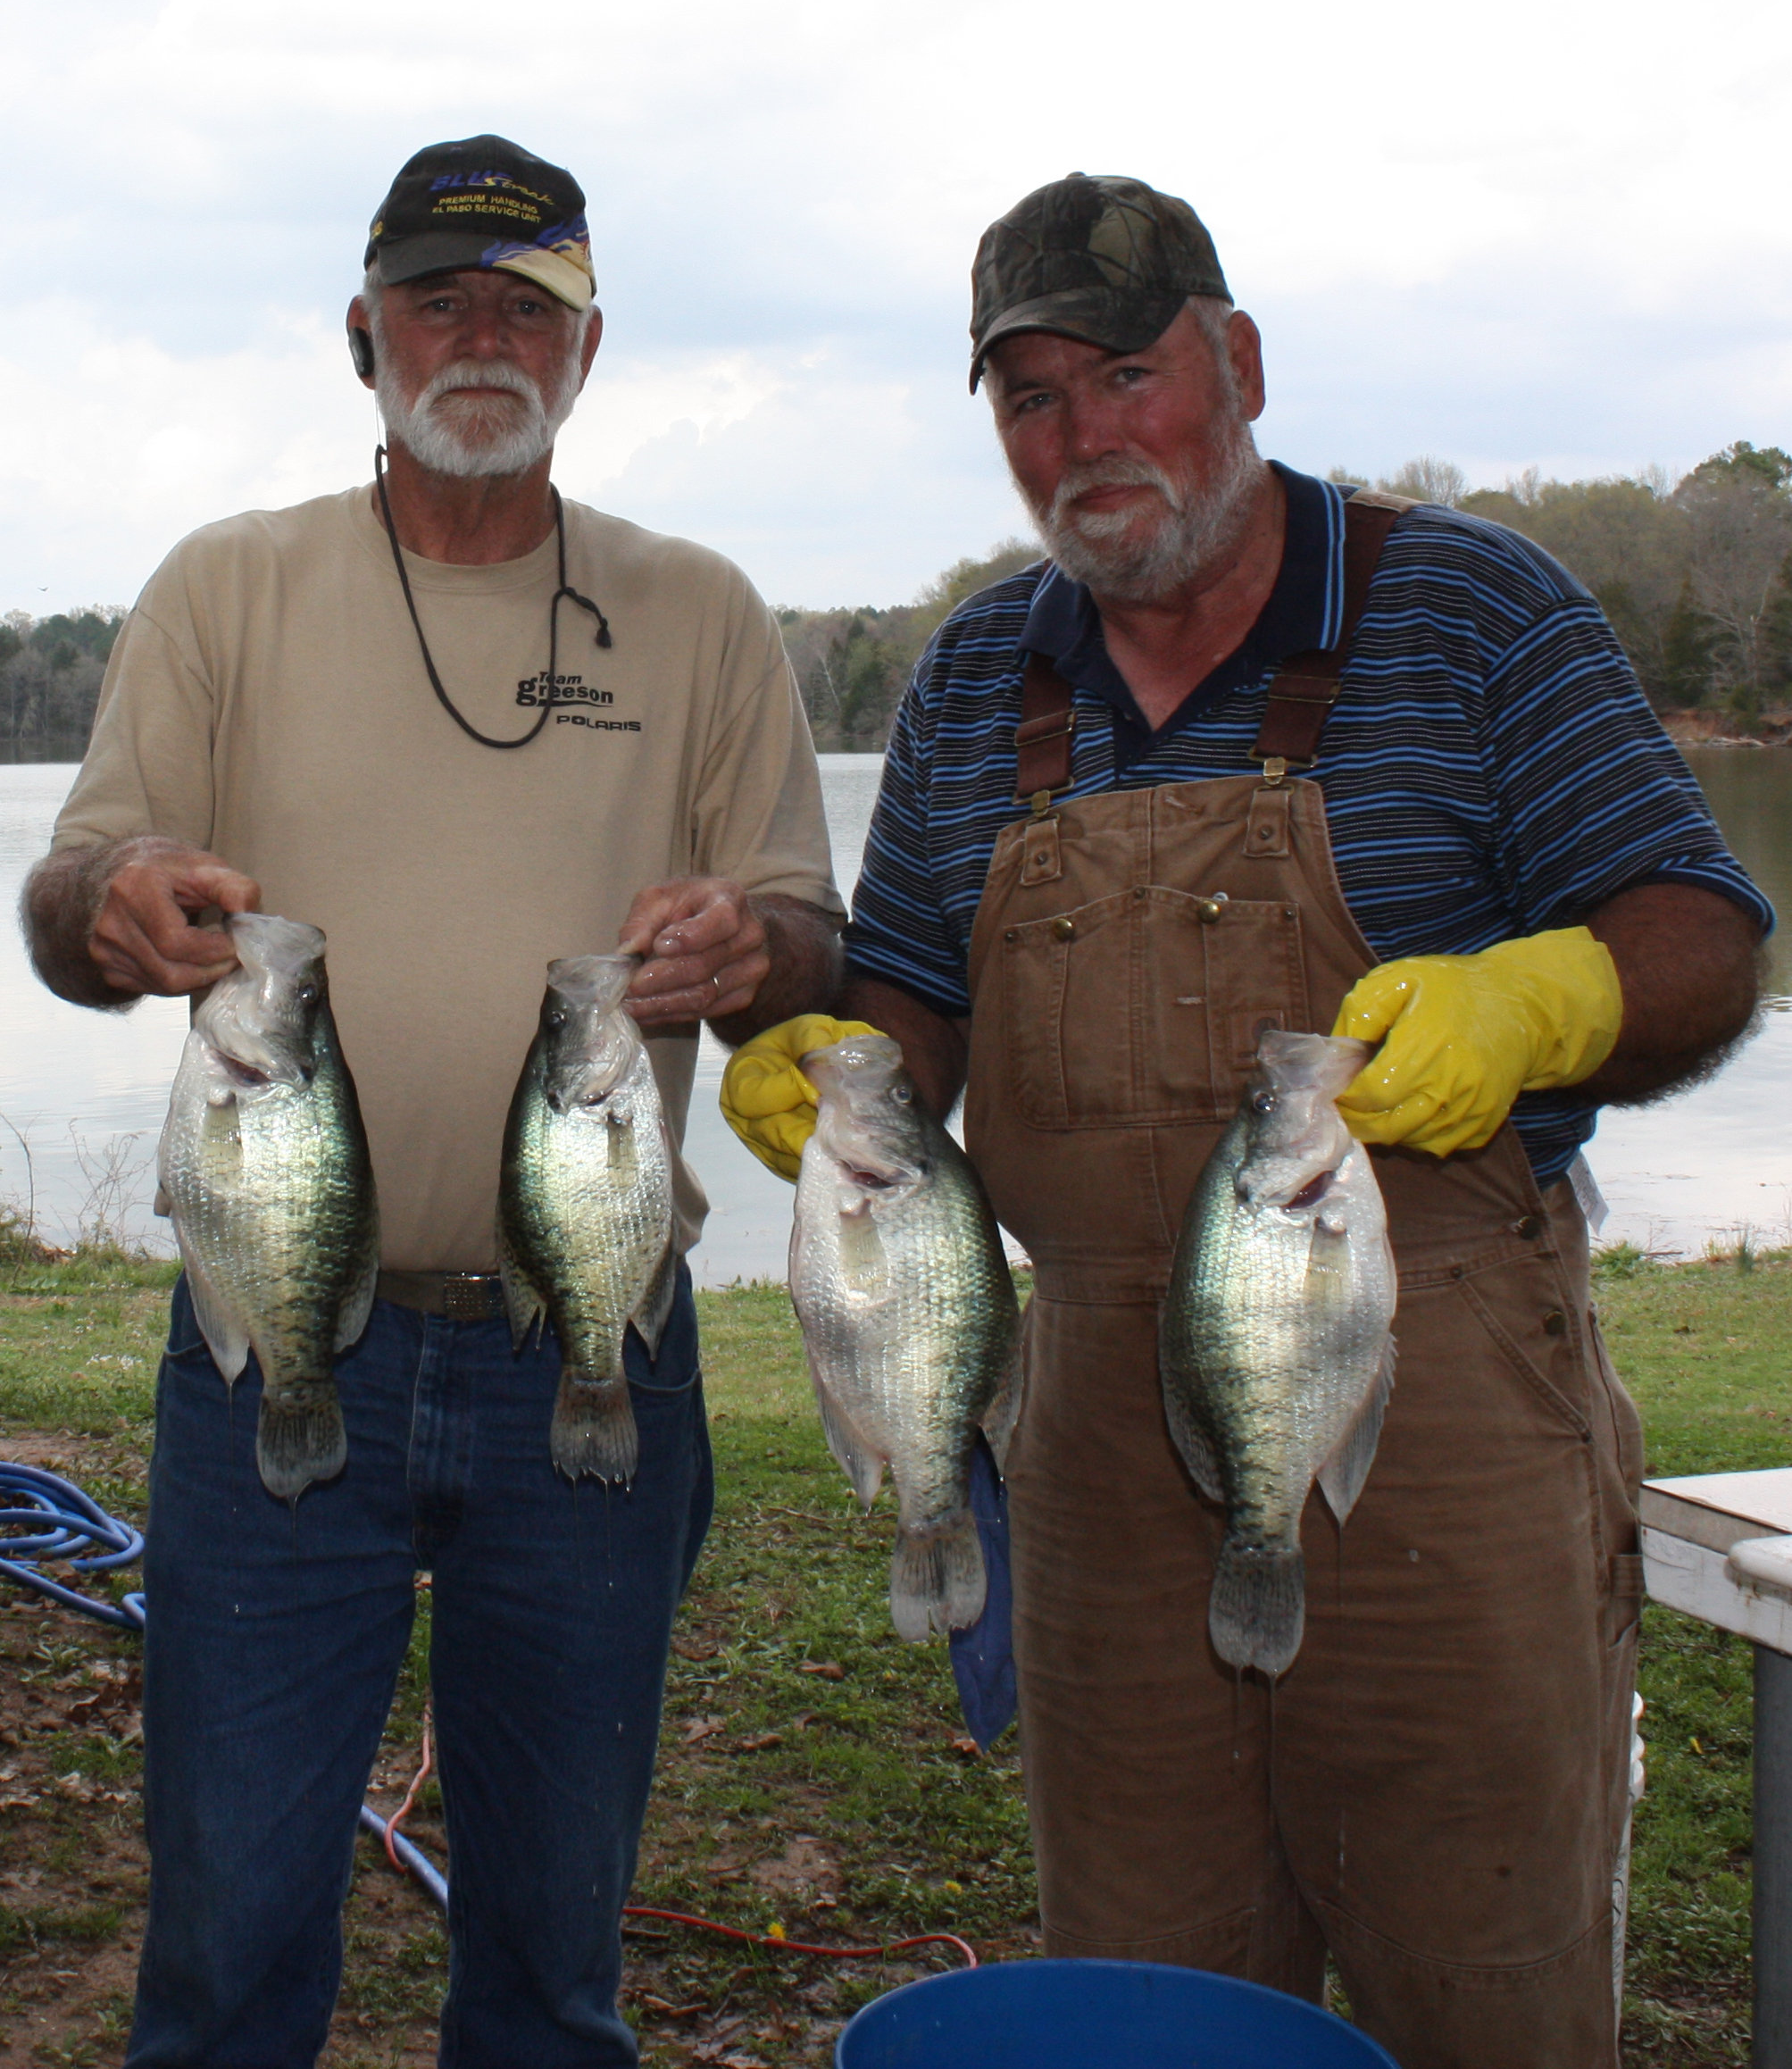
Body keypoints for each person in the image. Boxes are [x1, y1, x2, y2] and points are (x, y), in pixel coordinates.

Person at [721, 171, 1771, 2069]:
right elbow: (913, 995)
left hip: (1440, 1409)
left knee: (1492, 1984)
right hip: (1096, 1448)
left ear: (1238, 362)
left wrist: (1545, 999)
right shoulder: (977, 677)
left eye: (1123, 372)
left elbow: (1700, 933)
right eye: (1026, 398)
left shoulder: (1468, 608)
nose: (1078, 437)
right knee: (1152, 2000)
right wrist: (840, 1068)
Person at [22, 132, 845, 2069]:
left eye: (524, 305)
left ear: (587, 346)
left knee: (555, 1944)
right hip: (267, 1334)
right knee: (227, 1921)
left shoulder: (702, 610)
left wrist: (756, 949)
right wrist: (112, 905)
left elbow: (811, 934)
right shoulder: (229, 587)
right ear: (361, 331)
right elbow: (66, 903)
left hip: (591, 1337)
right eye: (436, 298)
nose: (478, 337)